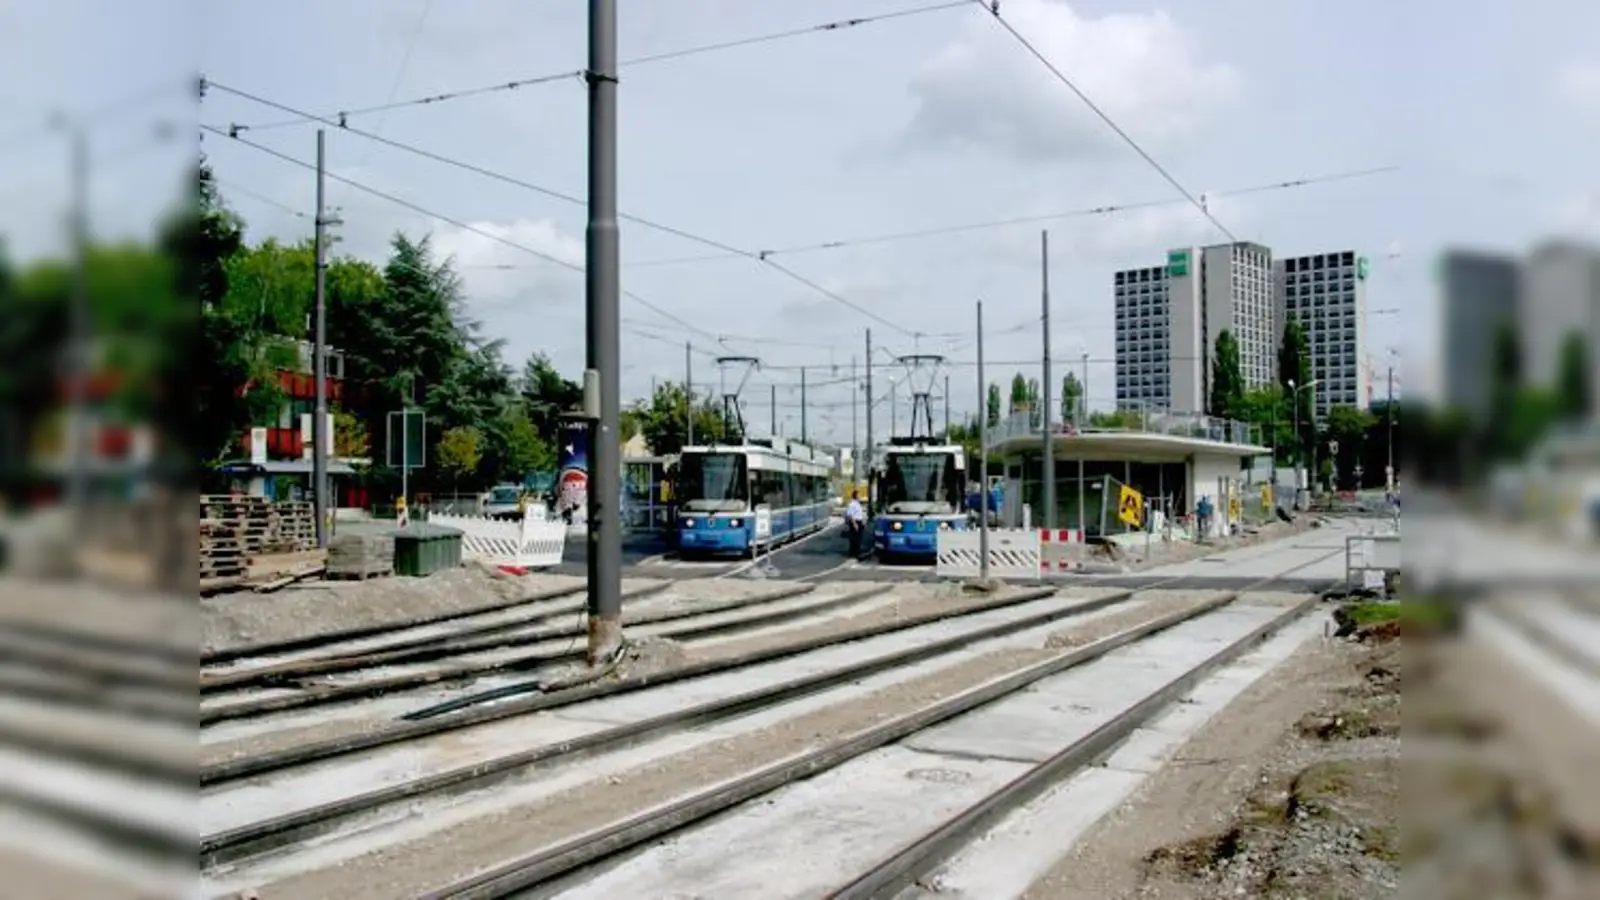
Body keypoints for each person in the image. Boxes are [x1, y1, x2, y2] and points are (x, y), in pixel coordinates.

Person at [844, 491, 867, 559]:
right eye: (859, 495)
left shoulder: (858, 504)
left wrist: (862, 522)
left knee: (859, 538)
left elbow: (859, 514)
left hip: (859, 522)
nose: (860, 496)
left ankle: (857, 552)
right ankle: (854, 553)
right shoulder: (852, 504)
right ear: (855, 496)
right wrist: (854, 524)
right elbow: (850, 515)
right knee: (854, 538)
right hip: (855, 522)